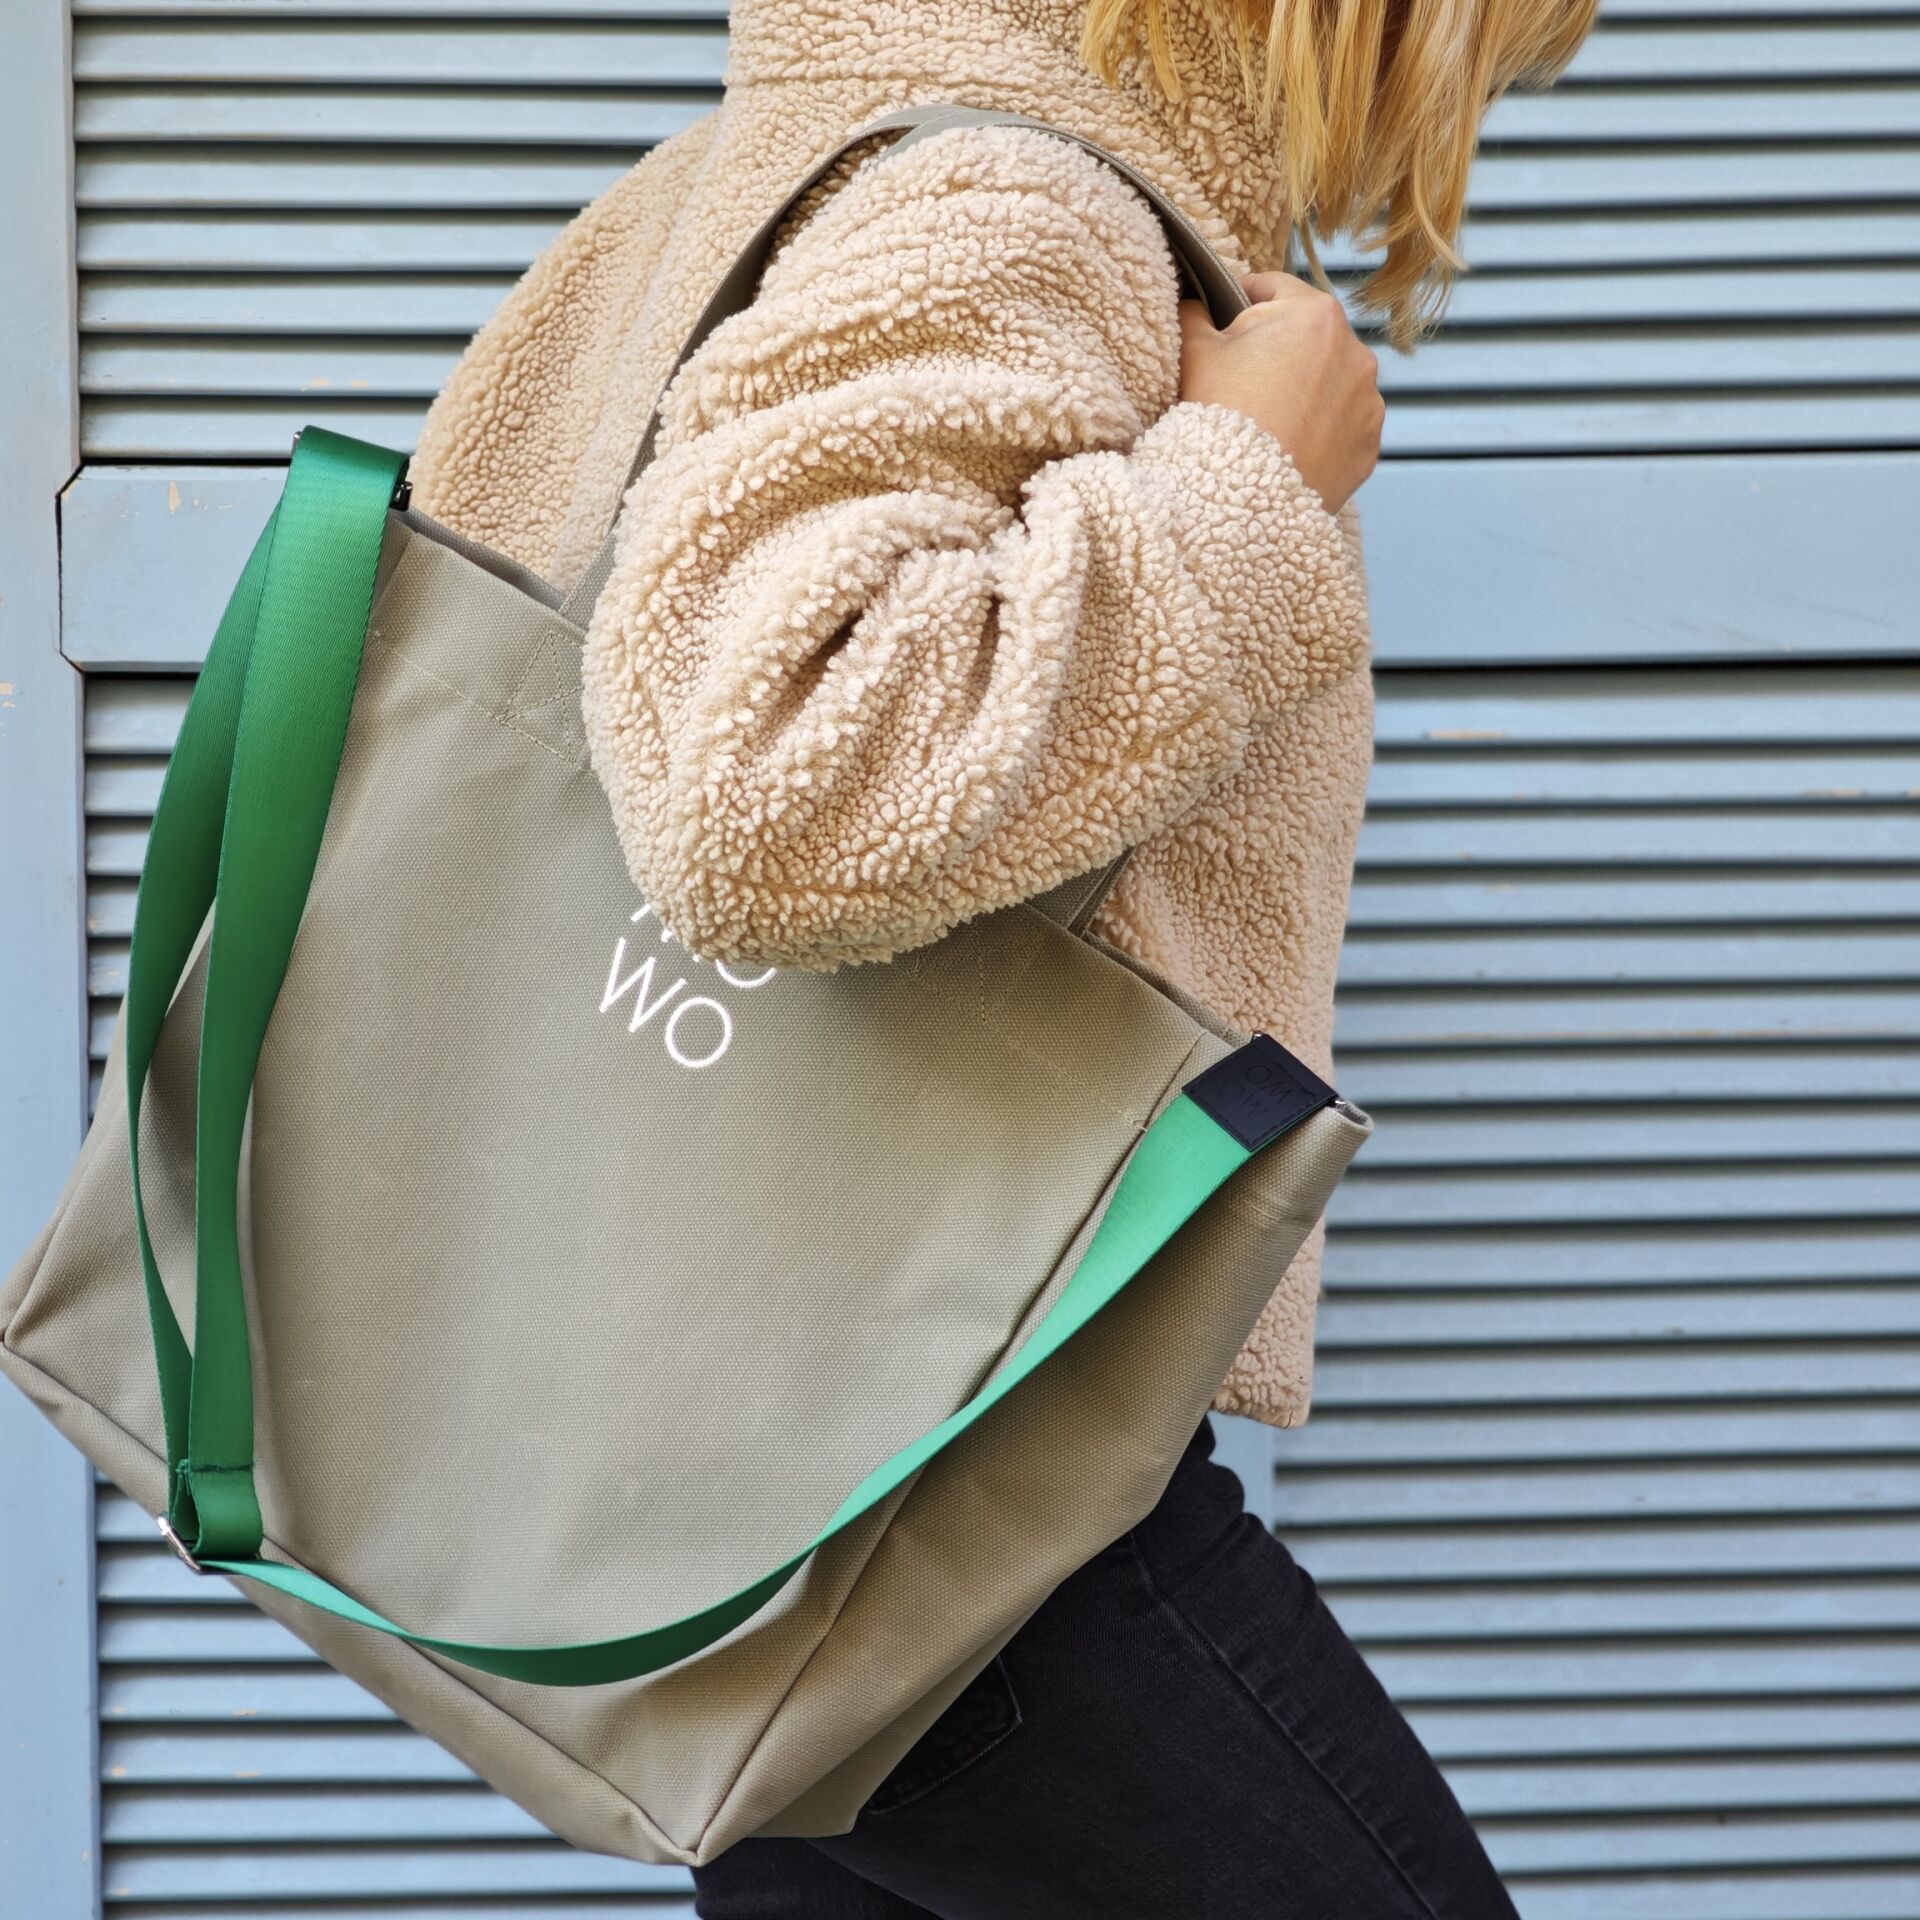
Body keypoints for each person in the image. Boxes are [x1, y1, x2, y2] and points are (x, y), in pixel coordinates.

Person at [410, 0, 1597, 1909]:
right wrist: (1241, 493)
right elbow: (760, 794)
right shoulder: (1009, 191)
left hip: (743, 1452)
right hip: (929, 1459)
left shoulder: (847, 140)